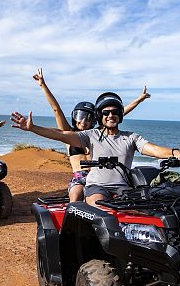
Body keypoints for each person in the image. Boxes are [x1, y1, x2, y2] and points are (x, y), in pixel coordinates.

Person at [11, 91, 180, 206]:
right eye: (105, 112)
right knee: (99, 212)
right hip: (97, 186)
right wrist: (33, 128)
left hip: (124, 188)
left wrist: (173, 152)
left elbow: (152, 149)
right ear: (100, 116)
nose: (110, 115)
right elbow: (61, 134)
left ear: (120, 115)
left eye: (114, 112)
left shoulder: (131, 137)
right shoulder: (91, 136)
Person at [32, 68, 151, 202]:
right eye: (81, 116)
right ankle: (74, 221)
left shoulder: (95, 135)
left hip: (99, 178)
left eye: (88, 117)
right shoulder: (69, 135)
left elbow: (118, 113)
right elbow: (56, 110)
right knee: (76, 195)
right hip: (80, 177)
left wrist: (139, 100)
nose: (84, 121)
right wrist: (43, 85)